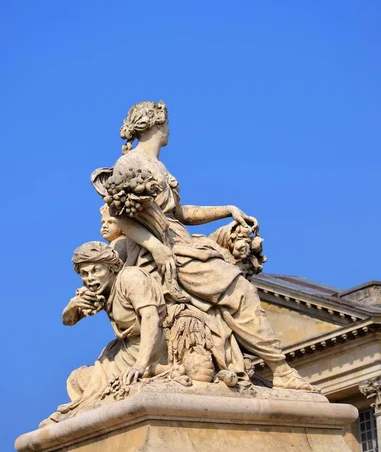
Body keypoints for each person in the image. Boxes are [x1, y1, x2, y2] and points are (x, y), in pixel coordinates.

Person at [91, 101, 317, 391]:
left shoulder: (156, 165)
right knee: (239, 290)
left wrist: (227, 209)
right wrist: (157, 248)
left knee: (230, 280)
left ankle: (261, 366)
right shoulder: (129, 163)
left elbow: (180, 214)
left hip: (178, 242)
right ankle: (281, 369)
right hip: (162, 250)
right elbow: (122, 217)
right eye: (167, 122)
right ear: (157, 124)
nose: (169, 129)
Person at [50, 241, 168, 421]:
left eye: (96, 270)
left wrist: (140, 364)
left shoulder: (130, 278)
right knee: (78, 380)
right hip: (125, 352)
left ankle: (157, 369)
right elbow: (68, 321)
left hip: (153, 346)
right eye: (84, 273)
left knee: (99, 391)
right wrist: (72, 306)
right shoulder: (100, 291)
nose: (90, 278)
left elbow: (151, 317)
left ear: (111, 268)